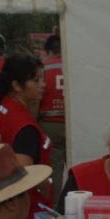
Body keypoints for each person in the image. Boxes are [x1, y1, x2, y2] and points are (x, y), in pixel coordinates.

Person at [0, 52, 52, 219]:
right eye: (36, 80)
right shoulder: (24, 126)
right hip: (21, 212)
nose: (43, 85)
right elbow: (23, 176)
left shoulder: (1, 106)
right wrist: (44, 182)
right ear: (16, 85)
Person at [39, 34, 67, 206]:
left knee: (55, 170)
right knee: (78, 167)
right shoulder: (75, 66)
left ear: (49, 51)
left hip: (50, 124)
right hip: (74, 124)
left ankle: (55, 208)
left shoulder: (42, 69)